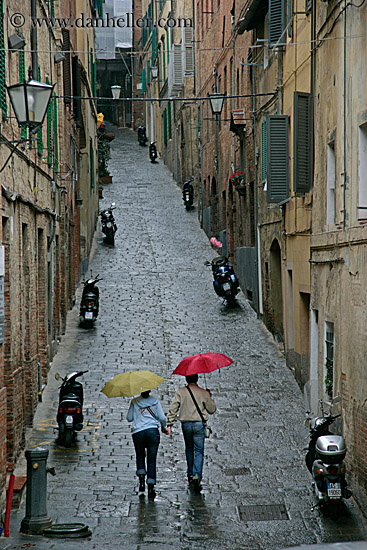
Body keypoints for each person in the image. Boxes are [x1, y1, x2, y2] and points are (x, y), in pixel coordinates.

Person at [166, 374, 216, 492]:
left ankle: (190, 473)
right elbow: (212, 409)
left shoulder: (180, 392)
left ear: (186, 379)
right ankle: (197, 473)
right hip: (199, 425)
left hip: (186, 425)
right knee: (199, 450)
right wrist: (209, 396)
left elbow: (173, 409)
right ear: (197, 379)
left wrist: (169, 423)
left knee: (189, 449)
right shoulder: (203, 392)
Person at [127, 390, 169, 498]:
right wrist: (164, 428)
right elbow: (162, 418)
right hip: (152, 432)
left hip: (138, 433)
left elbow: (129, 418)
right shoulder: (155, 401)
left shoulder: (134, 401)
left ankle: (141, 481)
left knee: (140, 456)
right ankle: (151, 486)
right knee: (152, 458)